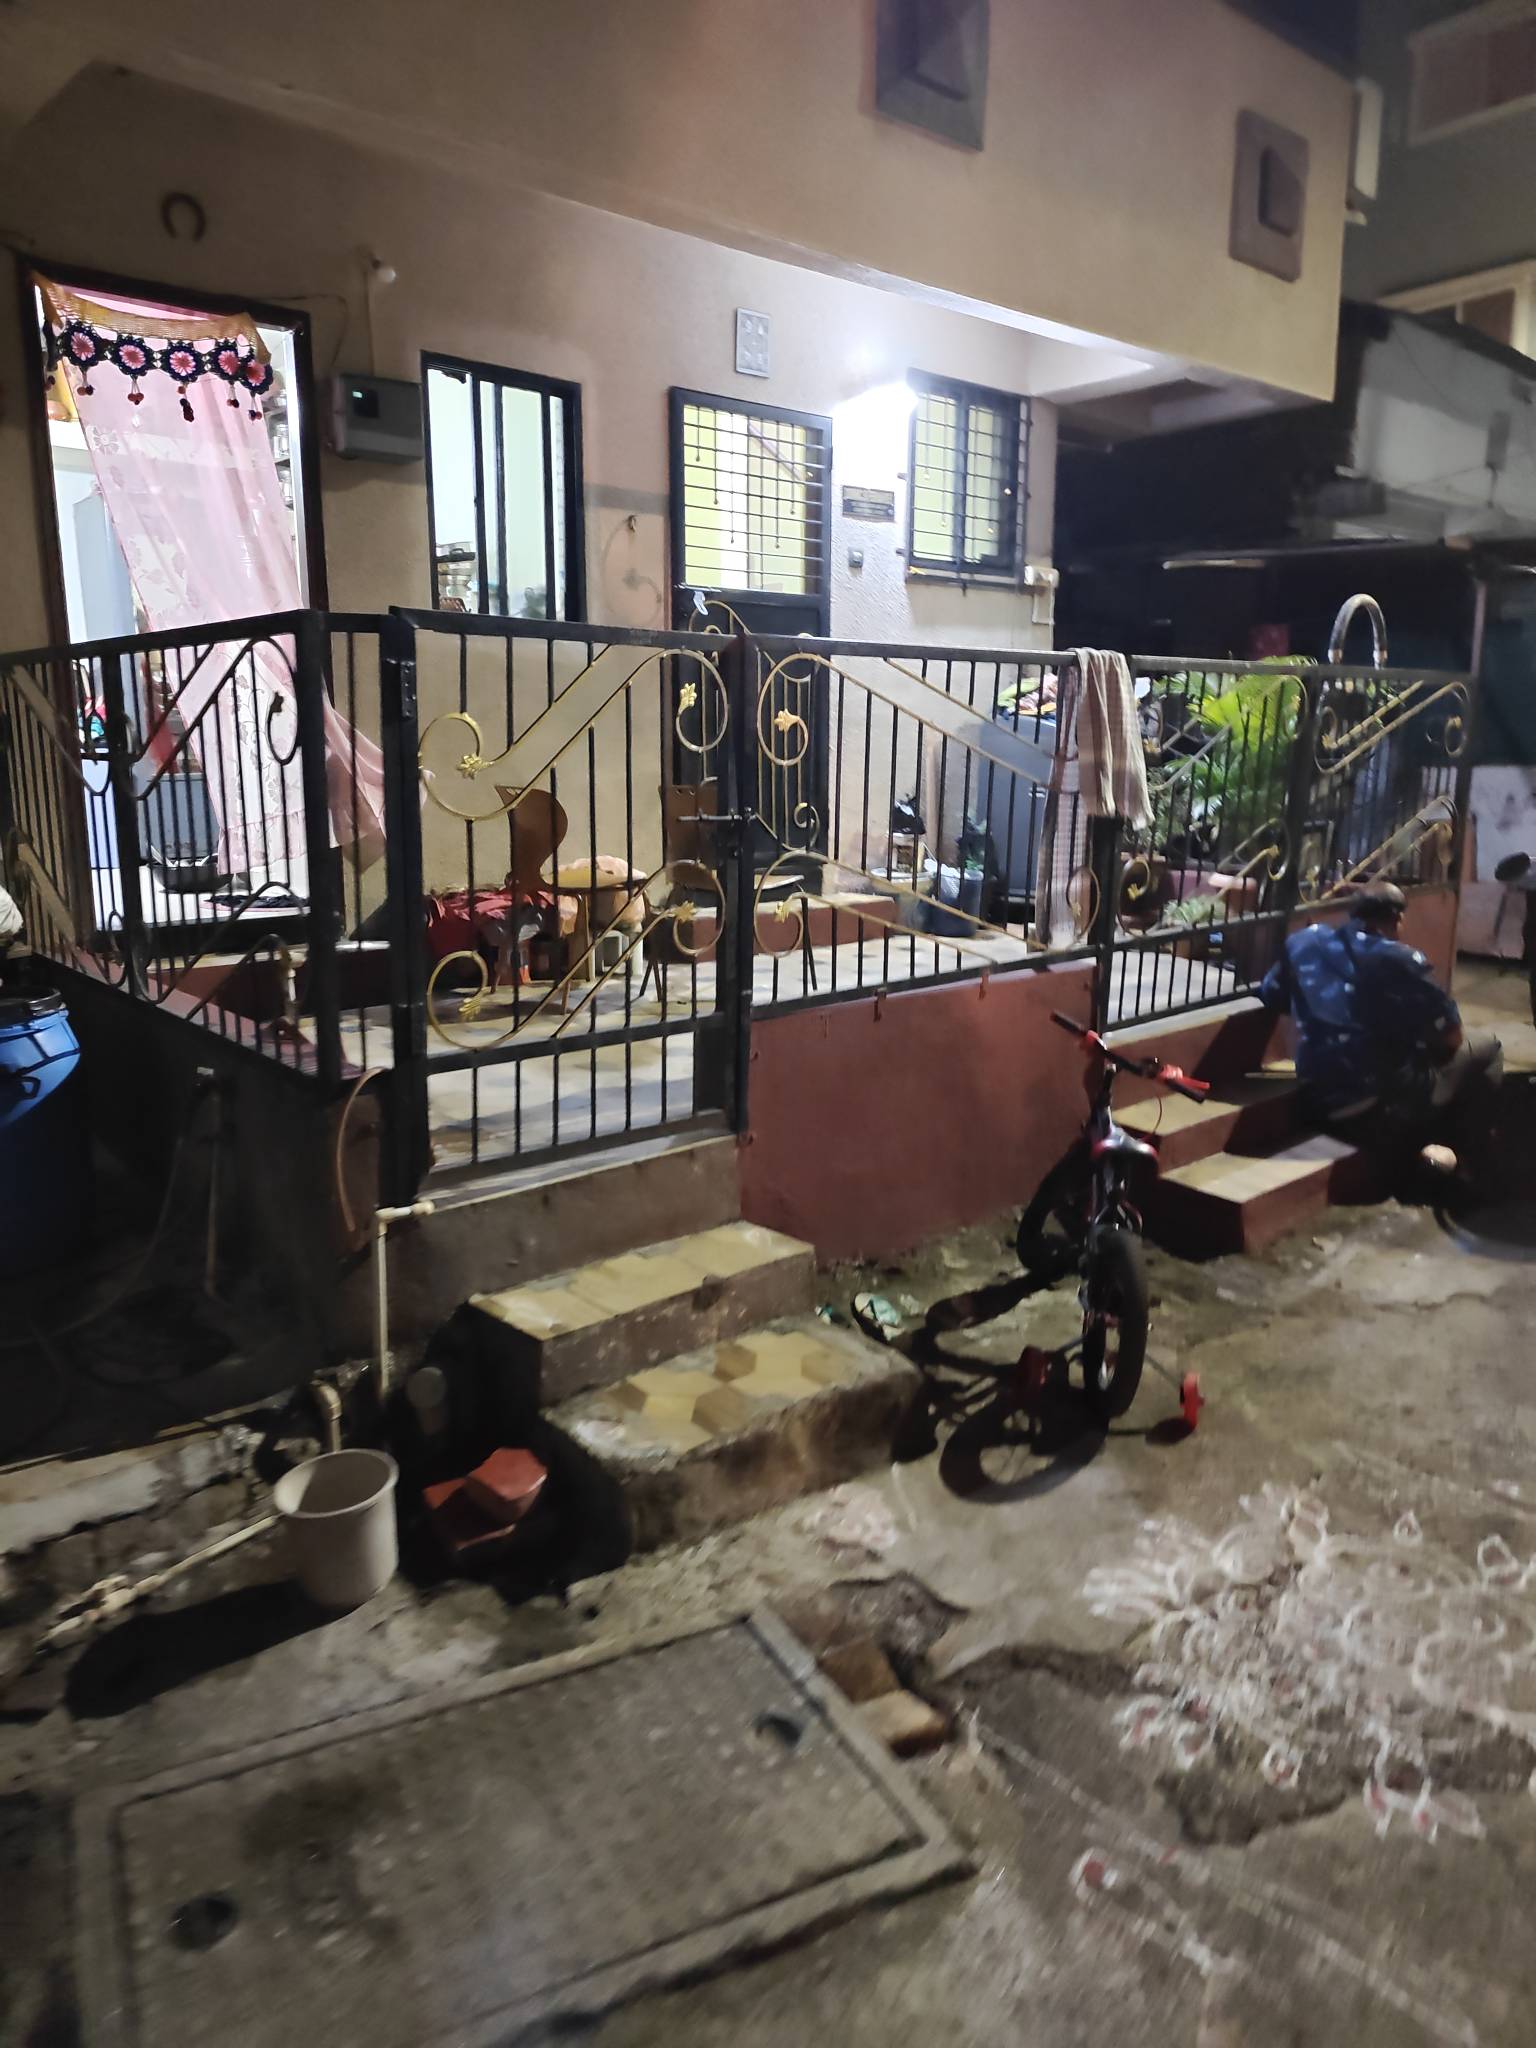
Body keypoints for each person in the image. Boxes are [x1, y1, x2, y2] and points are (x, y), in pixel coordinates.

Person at [1259, 884, 1502, 1189]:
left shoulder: (1305, 942)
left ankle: (1435, 1149)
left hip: (1315, 1095)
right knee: (1487, 1048)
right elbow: (1451, 1038)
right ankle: (1471, 1165)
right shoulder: (1399, 960)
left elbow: (1272, 994)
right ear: (1395, 920)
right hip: (1374, 1106)